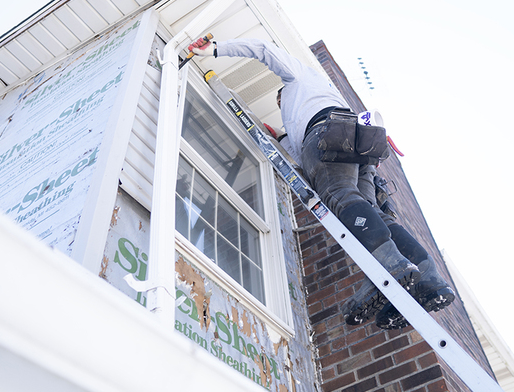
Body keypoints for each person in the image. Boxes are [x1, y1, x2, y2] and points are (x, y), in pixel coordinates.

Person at [190, 37, 453, 327]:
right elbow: (300, 156)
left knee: (339, 195)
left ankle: (391, 264)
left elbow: (266, 50)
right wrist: (279, 136)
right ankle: (428, 279)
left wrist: (214, 49)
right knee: (371, 212)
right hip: (360, 146)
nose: (280, 104)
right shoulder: (308, 107)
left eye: (280, 101)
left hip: (329, 133)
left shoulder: (298, 78)